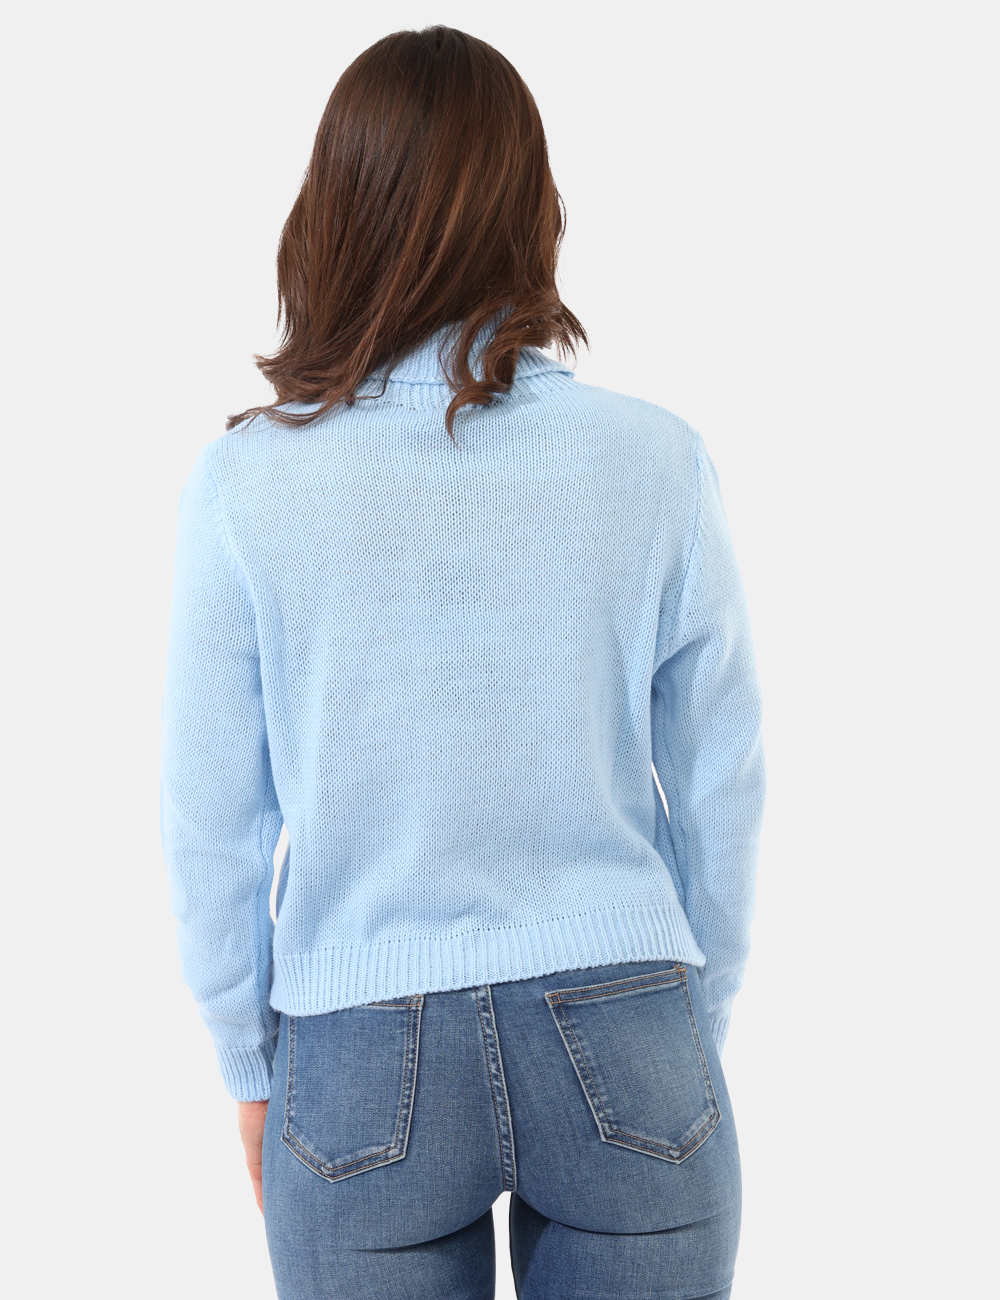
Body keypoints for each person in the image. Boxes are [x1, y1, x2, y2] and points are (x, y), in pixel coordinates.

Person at [160, 25, 765, 1300]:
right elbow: (723, 779)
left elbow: (211, 815)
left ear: (330, 212)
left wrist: (248, 1064)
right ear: (532, 207)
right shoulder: (656, 460)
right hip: (628, 1021)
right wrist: (683, 1017)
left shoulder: (245, 484)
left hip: (355, 1050)